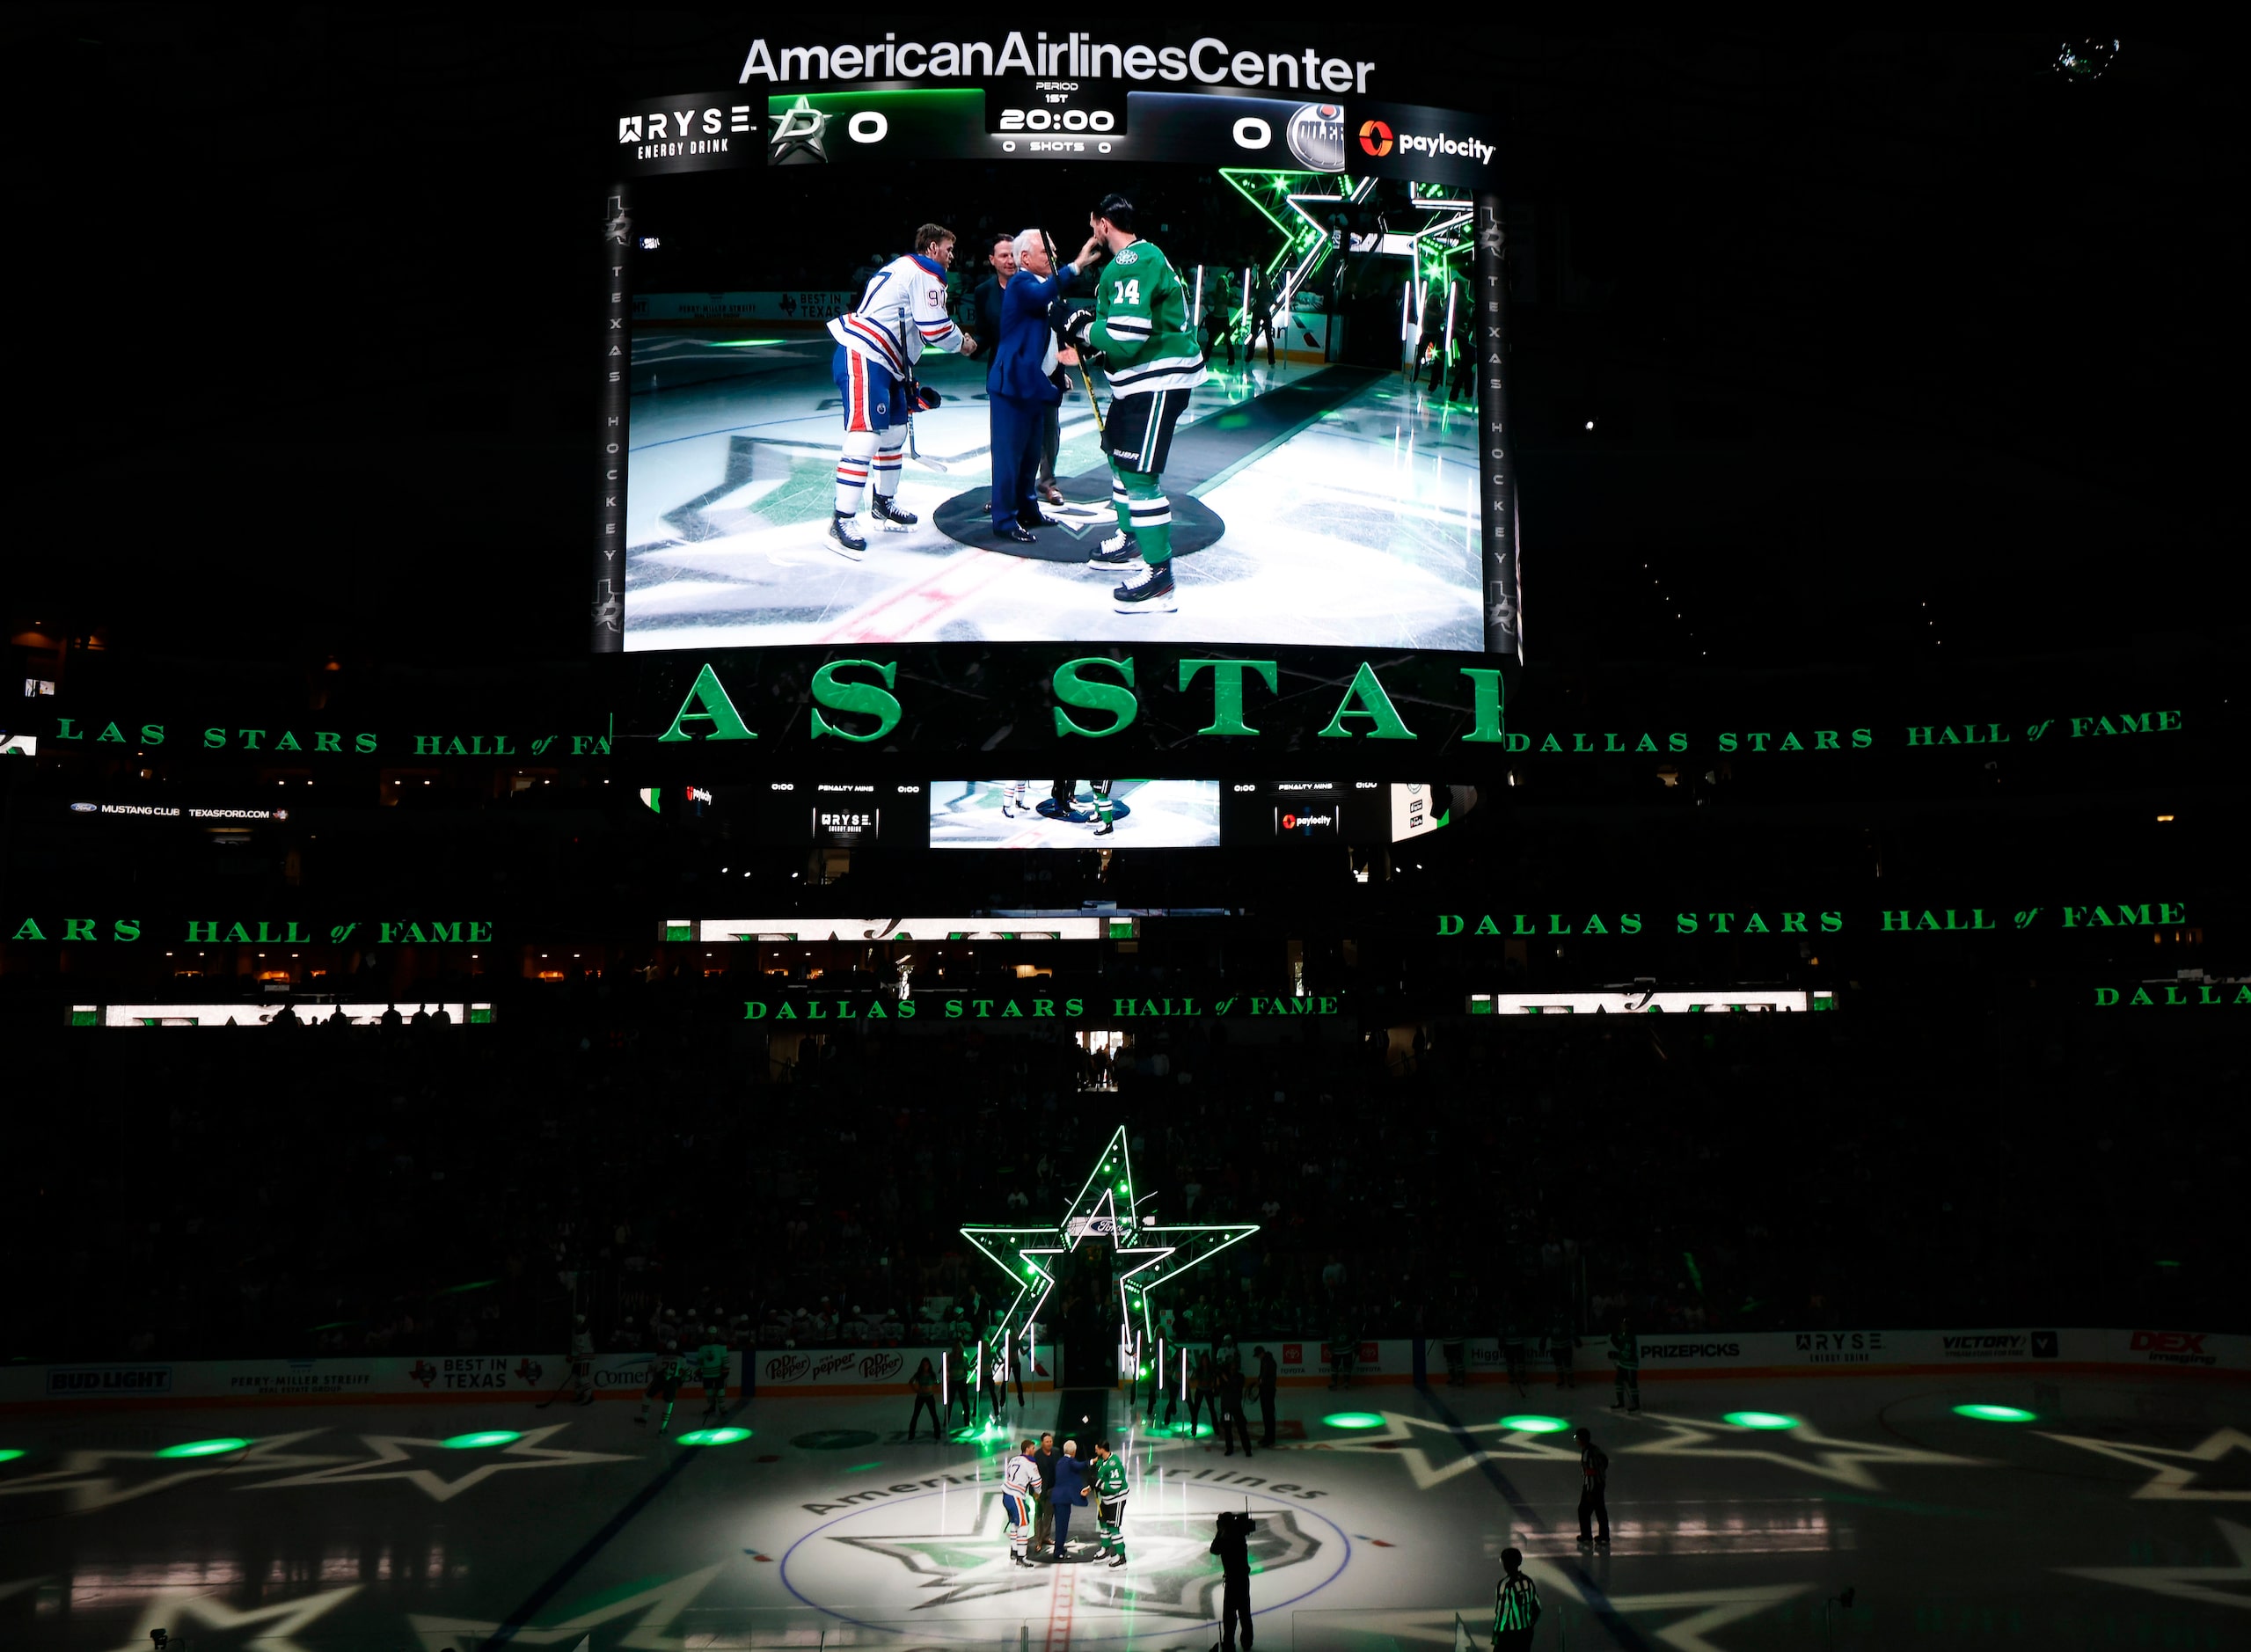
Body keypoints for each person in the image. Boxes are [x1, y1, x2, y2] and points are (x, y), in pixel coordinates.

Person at [1053, 193, 1208, 614]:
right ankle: (1130, 537)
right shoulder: (1136, 261)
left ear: (1103, 223)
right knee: (1122, 464)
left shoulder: (1131, 261)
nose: (1093, 232)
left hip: (1154, 384)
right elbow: (1120, 339)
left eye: (1093, 226)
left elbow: (1125, 334)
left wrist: (1083, 328)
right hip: (1136, 383)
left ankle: (1160, 578)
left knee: (1140, 478)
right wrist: (1088, 339)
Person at [823, 223, 974, 559]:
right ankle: (841, 520)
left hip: (885, 360)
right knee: (865, 437)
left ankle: (882, 504)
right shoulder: (926, 269)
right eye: (949, 249)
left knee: (892, 436)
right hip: (867, 354)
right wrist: (962, 343)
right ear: (932, 248)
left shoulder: (902, 268)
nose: (952, 257)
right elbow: (934, 328)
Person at [985, 229, 1094, 541]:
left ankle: (1028, 509)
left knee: (1031, 454)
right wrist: (1075, 266)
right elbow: (1041, 296)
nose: (1053, 257)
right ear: (1025, 258)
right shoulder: (1022, 283)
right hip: (1012, 386)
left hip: (1034, 384)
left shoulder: (1043, 287)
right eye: (1047, 252)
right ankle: (1004, 520)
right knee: (1009, 457)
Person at [965, 233, 1015, 364]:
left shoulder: (1036, 286)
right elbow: (984, 333)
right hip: (999, 369)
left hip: (1034, 370)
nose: (1010, 261)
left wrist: (1056, 371)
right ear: (992, 259)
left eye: (1014, 255)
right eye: (1004, 256)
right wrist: (971, 345)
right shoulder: (983, 291)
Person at [1210, 1509, 1256, 1650]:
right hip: (1242, 1580)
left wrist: (1220, 1531)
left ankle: (1229, 1643)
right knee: (1244, 1612)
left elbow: (1214, 1549)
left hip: (1233, 1581)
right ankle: (1246, 1641)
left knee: (1230, 1614)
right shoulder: (1238, 1535)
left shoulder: (1227, 1538)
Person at [1003, 1438, 1043, 1568]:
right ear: (1027, 1449)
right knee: (1024, 1524)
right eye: (1033, 1448)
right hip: (1016, 1495)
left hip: (1006, 1494)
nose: (1034, 1450)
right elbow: (1037, 1482)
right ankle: (1021, 1557)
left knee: (1015, 1523)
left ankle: (1014, 1551)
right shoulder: (1030, 1462)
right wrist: (1038, 1493)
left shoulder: (1013, 1459)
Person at [1493, 1547, 1541, 1650]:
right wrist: (1530, 1624)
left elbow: (1503, 1613)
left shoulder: (1504, 1585)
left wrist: (1497, 1632)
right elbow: (1537, 1606)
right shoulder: (1528, 1581)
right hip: (1526, 1632)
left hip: (1509, 1635)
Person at [1091, 1438, 1129, 1568]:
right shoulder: (1102, 1461)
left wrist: (1098, 1484)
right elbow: (1100, 1475)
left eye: (1097, 1448)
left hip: (1116, 1499)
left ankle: (1121, 1557)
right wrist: (1091, 1487)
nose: (1095, 1450)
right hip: (1106, 1499)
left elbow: (1115, 1486)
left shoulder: (1113, 1463)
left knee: (1113, 1528)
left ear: (1102, 1449)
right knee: (1103, 1523)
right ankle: (1105, 1550)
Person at [1051, 1436, 1090, 1558]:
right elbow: (1079, 1466)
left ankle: (1060, 1548)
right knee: (1062, 1525)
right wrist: (1092, 1461)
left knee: (1061, 1525)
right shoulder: (1069, 1461)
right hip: (1063, 1499)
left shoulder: (1061, 1462)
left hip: (1059, 1498)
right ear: (1073, 1452)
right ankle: (1058, 1552)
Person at [635, 1340, 683, 1431]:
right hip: (672, 1381)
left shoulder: (660, 1356)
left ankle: (644, 1418)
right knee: (668, 1403)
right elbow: (685, 1371)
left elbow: (651, 1368)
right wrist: (680, 1380)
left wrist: (656, 1375)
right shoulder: (681, 1357)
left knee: (647, 1395)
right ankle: (663, 1428)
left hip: (660, 1379)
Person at [1574, 1426, 1610, 1548]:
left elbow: (1590, 1474)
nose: (1576, 1440)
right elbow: (1605, 1461)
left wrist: (1589, 1490)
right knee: (1600, 1511)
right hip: (1600, 1483)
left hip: (1592, 1486)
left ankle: (1586, 1536)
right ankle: (1604, 1536)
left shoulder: (1587, 1454)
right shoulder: (1595, 1449)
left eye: (1576, 1438)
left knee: (1583, 1511)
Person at [1218, 1353, 1254, 1458]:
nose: (1232, 1366)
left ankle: (1247, 1449)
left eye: (1234, 1364)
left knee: (1242, 1427)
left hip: (1236, 1407)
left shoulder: (1240, 1377)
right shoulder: (1222, 1377)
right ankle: (1229, 1448)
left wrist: (1226, 1379)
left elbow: (1236, 1387)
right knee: (1227, 1427)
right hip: (1226, 1409)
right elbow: (1220, 1390)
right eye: (1231, 1364)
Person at [1031, 1431, 1059, 1556]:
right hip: (1040, 1491)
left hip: (1053, 1490)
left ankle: (1046, 1536)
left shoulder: (1056, 1452)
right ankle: (1038, 1540)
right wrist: (1033, 1492)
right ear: (1042, 1442)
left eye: (1050, 1441)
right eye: (1047, 1442)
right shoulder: (1036, 1456)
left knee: (1049, 1515)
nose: (1049, 1443)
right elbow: (1031, 1474)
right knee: (1039, 1516)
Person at [696, 1324, 730, 1421]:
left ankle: (722, 1408)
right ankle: (712, 1407)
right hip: (707, 1373)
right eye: (710, 1334)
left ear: (716, 1334)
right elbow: (700, 1359)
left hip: (718, 1372)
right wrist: (699, 1369)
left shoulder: (721, 1345)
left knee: (720, 1391)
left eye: (713, 1334)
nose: (711, 1336)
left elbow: (725, 1358)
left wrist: (726, 1369)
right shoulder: (702, 1346)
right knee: (709, 1392)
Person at [1609, 1315, 1640, 1414]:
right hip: (1622, 1364)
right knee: (1618, 1382)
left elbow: (1626, 1353)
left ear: (1628, 1326)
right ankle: (1620, 1403)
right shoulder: (1623, 1333)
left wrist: (1616, 1354)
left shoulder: (1630, 1337)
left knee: (1632, 1384)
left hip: (1630, 1365)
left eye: (1624, 1324)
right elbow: (1620, 1345)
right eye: (1622, 1324)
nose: (1622, 1325)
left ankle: (1636, 1406)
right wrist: (1614, 1341)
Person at [907, 1356, 941, 1439]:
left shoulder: (932, 1375)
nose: (925, 1366)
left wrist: (933, 1388)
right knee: (915, 1415)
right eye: (924, 1364)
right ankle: (911, 1434)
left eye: (927, 1364)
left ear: (929, 1365)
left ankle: (937, 1434)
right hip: (920, 1397)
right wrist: (916, 1390)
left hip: (929, 1396)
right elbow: (911, 1381)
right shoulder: (918, 1374)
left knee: (933, 1415)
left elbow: (937, 1383)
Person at [1254, 1344, 1279, 1447]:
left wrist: (1262, 1382)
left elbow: (1270, 1378)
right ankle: (1267, 1436)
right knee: (1266, 1415)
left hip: (1268, 1391)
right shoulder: (1265, 1361)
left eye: (1258, 1355)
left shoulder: (1269, 1362)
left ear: (1262, 1353)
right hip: (1265, 1391)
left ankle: (1270, 1438)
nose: (1257, 1357)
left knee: (1269, 1415)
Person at [569, 1312, 596, 1407]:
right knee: (577, 1377)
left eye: (576, 1322)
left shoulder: (581, 1333)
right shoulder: (582, 1331)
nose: (575, 1323)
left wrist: (572, 1356)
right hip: (580, 1358)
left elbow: (579, 1348)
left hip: (584, 1358)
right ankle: (580, 1394)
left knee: (583, 1377)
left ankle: (589, 1396)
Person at [1547, 1313, 1576, 1390]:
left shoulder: (1567, 1318)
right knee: (1558, 1365)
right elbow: (1547, 1329)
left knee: (1568, 1364)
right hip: (1555, 1346)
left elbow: (1572, 1330)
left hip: (1566, 1345)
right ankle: (1561, 1379)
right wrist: (1543, 1339)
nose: (1556, 1309)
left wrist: (1575, 1338)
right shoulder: (1551, 1318)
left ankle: (1570, 1380)